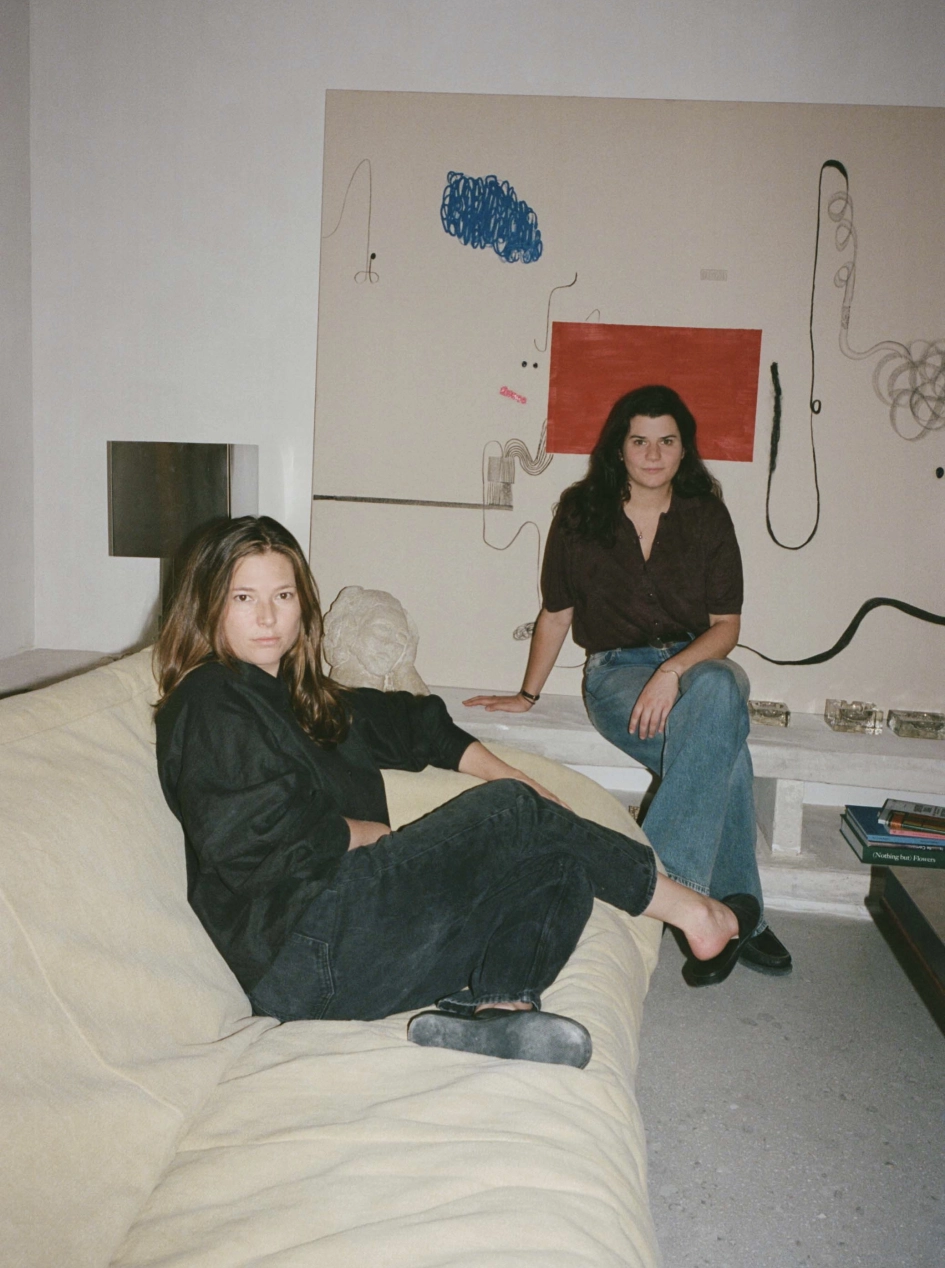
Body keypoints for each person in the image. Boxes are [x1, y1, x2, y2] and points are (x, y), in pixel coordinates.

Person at [152, 516, 761, 1072]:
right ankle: (698, 913)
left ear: (302, 605)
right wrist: (363, 833)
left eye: (282, 596)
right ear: (208, 605)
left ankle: (499, 1011)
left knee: (560, 866)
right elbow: (251, 844)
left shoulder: (304, 697)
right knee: (516, 813)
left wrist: (508, 776)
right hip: (299, 946)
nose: (267, 617)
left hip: (353, 950)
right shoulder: (209, 699)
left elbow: (414, 724)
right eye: (243, 597)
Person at [465, 385, 791, 979]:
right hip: (616, 673)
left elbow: (726, 627)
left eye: (667, 441)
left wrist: (673, 670)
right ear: (620, 448)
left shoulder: (706, 515)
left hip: (697, 665)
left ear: (684, 449)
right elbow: (557, 612)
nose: (653, 454)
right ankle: (740, 912)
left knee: (719, 690)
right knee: (726, 752)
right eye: (640, 441)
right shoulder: (581, 512)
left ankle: (665, 890)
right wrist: (527, 694)